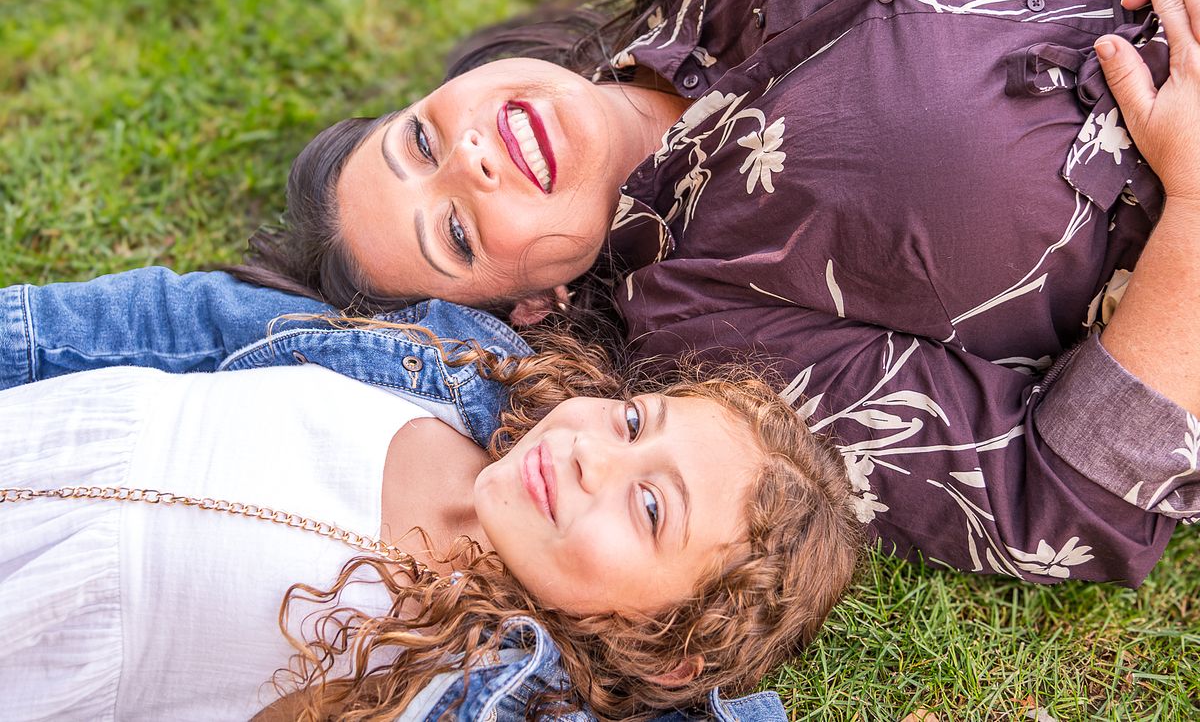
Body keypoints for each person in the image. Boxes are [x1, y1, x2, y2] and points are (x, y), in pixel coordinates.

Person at [3, 0, 1199, 588]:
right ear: (533, 303)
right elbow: (1059, 497)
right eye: (454, 233)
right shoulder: (725, 341)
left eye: (420, 138)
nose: (469, 161)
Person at [0, 327, 862, 721]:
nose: (594, 453)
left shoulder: (462, 680)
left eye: (649, 507)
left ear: (661, 642)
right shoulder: (458, 371)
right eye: (634, 421)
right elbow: (185, 322)